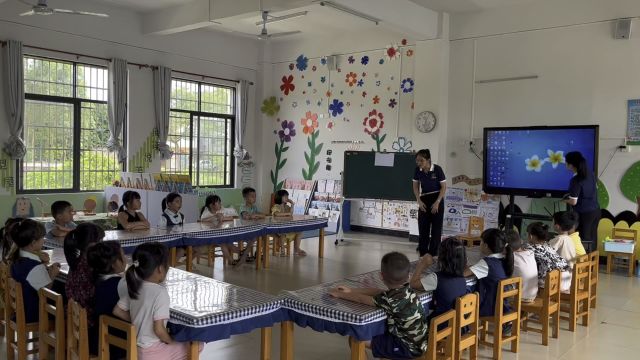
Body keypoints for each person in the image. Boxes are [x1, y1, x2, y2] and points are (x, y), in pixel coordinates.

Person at [329, 252, 428, 359]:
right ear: (408, 276)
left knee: (356, 338)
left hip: (406, 348)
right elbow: (378, 291)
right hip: (422, 343)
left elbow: (360, 299)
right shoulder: (408, 290)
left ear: (381, 276)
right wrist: (351, 290)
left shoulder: (388, 299)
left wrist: (340, 294)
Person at [116, 242, 201, 360]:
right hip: (154, 353)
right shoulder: (160, 293)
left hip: (136, 349)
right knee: (197, 345)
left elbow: (117, 311)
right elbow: (159, 330)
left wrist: (138, 321)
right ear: (161, 269)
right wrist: (170, 341)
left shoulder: (135, 286)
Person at [8, 219, 61, 323]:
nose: (44, 240)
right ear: (33, 243)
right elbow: (46, 291)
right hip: (35, 313)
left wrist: (44, 267)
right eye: (42, 238)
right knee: (65, 299)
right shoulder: (34, 266)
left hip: (22, 310)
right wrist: (53, 274)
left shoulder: (17, 258)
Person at [410, 237, 468, 320]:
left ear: (441, 257)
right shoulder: (462, 277)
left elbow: (413, 284)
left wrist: (422, 264)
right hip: (459, 323)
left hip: (442, 325)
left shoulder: (436, 278)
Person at [86, 241, 127, 356]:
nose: (125, 258)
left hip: (97, 337)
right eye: (123, 256)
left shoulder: (97, 278)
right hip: (117, 344)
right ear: (114, 264)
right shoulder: (120, 284)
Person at [464, 229, 514, 317]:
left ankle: (464, 326)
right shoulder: (504, 259)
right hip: (503, 305)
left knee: (463, 292)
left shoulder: (487, 263)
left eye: (481, 242)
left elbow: (463, 274)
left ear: (486, 245)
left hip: (488, 307)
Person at [64, 223, 105, 325]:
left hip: (74, 314)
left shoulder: (76, 261)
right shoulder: (92, 266)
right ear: (93, 243)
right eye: (101, 241)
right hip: (88, 319)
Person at [412, 149, 447, 256]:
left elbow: (443, 187)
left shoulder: (437, 169)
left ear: (428, 160)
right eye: (417, 161)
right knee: (423, 227)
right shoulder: (417, 170)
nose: (418, 163)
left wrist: (437, 202)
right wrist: (419, 200)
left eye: (421, 161)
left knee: (436, 229)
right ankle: (423, 252)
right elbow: (415, 186)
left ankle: (434, 253)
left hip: (437, 198)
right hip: (424, 198)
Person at [563, 151, 600, 252]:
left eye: (566, 162)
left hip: (584, 214)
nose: (565, 164)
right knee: (592, 238)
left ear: (571, 165)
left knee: (583, 239)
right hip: (596, 211)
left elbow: (573, 202)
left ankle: (584, 266)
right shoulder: (590, 173)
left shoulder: (576, 180)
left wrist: (564, 200)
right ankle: (592, 264)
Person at [525, 222, 572, 292]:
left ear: (531, 236)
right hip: (566, 280)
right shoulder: (548, 245)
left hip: (554, 284)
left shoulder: (530, 249)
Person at [200, 195, 240, 265]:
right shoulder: (206, 211)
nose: (220, 204)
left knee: (228, 241)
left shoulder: (221, 210)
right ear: (211, 205)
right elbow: (202, 220)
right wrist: (215, 216)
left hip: (219, 235)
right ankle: (232, 260)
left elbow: (231, 218)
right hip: (209, 236)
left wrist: (222, 218)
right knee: (223, 243)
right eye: (218, 203)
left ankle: (241, 253)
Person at [505, 230, 538, 302]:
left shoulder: (512, 257)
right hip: (532, 295)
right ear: (521, 241)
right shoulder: (530, 253)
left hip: (519, 296)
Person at [271, 189, 306, 257]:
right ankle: (282, 250)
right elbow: (276, 214)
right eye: (285, 196)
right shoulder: (276, 206)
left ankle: (297, 249)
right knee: (282, 233)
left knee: (300, 231)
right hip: (278, 228)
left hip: (287, 228)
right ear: (279, 197)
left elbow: (291, 213)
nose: (287, 198)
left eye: (287, 196)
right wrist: (288, 214)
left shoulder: (286, 207)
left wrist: (292, 204)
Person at [237, 187, 264, 264]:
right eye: (252, 196)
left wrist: (253, 215)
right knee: (254, 237)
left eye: (255, 196)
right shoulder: (243, 207)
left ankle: (258, 252)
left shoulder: (254, 207)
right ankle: (245, 254)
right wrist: (254, 216)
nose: (254, 198)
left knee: (263, 236)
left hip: (252, 229)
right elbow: (246, 216)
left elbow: (263, 215)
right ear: (245, 198)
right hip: (244, 231)